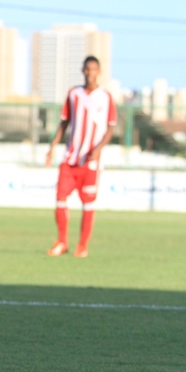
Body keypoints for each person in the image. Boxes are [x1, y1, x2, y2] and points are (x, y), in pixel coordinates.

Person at [45, 56, 116, 258]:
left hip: (91, 162)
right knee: (60, 198)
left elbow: (111, 128)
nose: (90, 73)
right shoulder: (73, 94)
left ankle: (83, 245)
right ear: (83, 71)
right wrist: (51, 147)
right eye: (87, 69)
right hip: (70, 158)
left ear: (99, 71)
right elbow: (64, 123)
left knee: (88, 203)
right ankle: (62, 242)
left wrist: (99, 148)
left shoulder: (106, 97)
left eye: (94, 69)